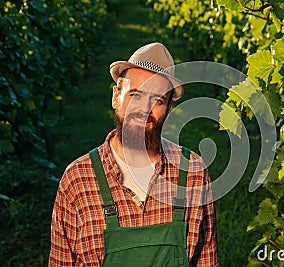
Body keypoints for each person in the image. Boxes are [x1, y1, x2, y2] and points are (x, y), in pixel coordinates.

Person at [48, 42, 218, 266]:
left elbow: (207, 261)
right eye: (135, 95)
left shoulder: (193, 172)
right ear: (115, 96)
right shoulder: (77, 180)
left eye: (157, 100)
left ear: (168, 108)